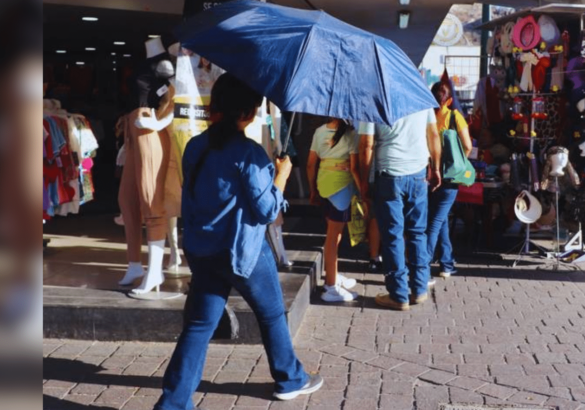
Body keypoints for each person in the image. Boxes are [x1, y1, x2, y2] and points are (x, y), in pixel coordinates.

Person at [154, 74, 322, 410]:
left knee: (199, 326)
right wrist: (281, 177)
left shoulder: (196, 146)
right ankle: (290, 379)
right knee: (272, 315)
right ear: (248, 112)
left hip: (204, 249)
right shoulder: (249, 153)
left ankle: (172, 404)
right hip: (242, 251)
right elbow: (265, 211)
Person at [358, 109, 442, 311]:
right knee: (417, 232)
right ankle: (419, 289)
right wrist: (437, 167)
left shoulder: (374, 100)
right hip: (418, 175)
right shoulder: (420, 96)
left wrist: (363, 180)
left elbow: (366, 145)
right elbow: (433, 135)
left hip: (389, 175)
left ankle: (398, 294)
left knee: (393, 235)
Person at [306, 118, 360, 302]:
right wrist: (364, 192)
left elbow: (310, 164)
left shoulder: (319, 131)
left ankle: (333, 273)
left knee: (333, 236)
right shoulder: (351, 135)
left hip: (323, 186)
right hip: (341, 190)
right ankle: (330, 286)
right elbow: (354, 168)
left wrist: (312, 189)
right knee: (333, 237)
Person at [428, 81, 473, 278]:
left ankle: (446, 263)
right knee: (436, 221)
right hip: (450, 177)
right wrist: (458, 162)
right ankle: (424, 264)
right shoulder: (455, 116)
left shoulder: (427, 118)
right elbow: (468, 145)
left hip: (429, 174)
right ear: (450, 100)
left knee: (441, 219)